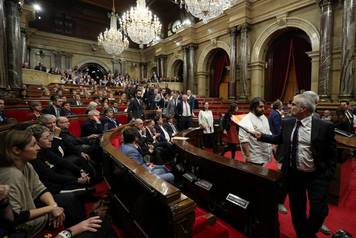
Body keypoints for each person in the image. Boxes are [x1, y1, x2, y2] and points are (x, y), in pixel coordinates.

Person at [252, 94, 337, 238]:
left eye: (293, 104)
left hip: (316, 175)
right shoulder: (288, 122)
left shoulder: (324, 126)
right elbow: (279, 139)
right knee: (297, 209)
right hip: (294, 174)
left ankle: (307, 233)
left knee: (319, 210)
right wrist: (261, 136)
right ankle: (303, 235)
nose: (290, 106)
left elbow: (332, 153)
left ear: (303, 108)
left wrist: (328, 175)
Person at [0, 129, 65, 237]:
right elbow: (15, 217)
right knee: (67, 207)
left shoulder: (27, 165)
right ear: (16, 150)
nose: (38, 148)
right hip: (20, 228)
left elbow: (40, 189)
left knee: (64, 205)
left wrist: (53, 205)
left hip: (30, 214)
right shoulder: (10, 175)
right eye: (33, 145)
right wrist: (52, 208)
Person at [239, 97, 272, 166]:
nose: (263, 109)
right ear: (253, 107)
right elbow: (244, 140)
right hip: (254, 157)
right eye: (260, 107)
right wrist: (247, 156)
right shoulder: (246, 119)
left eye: (263, 107)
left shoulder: (263, 117)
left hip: (265, 154)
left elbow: (268, 132)